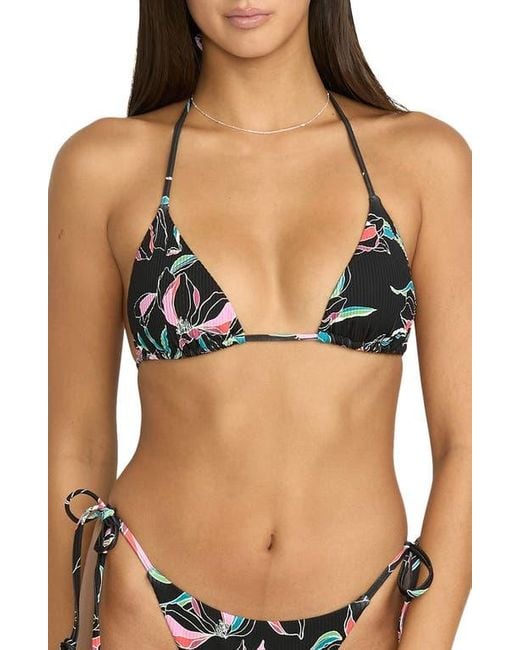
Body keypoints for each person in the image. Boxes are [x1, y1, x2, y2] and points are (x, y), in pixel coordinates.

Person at [49, 1, 471, 648]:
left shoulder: (426, 161)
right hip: (147, 608)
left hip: (364, 617)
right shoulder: (103, 165)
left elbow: (468, 444)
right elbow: (75, 446)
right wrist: (69, 635)